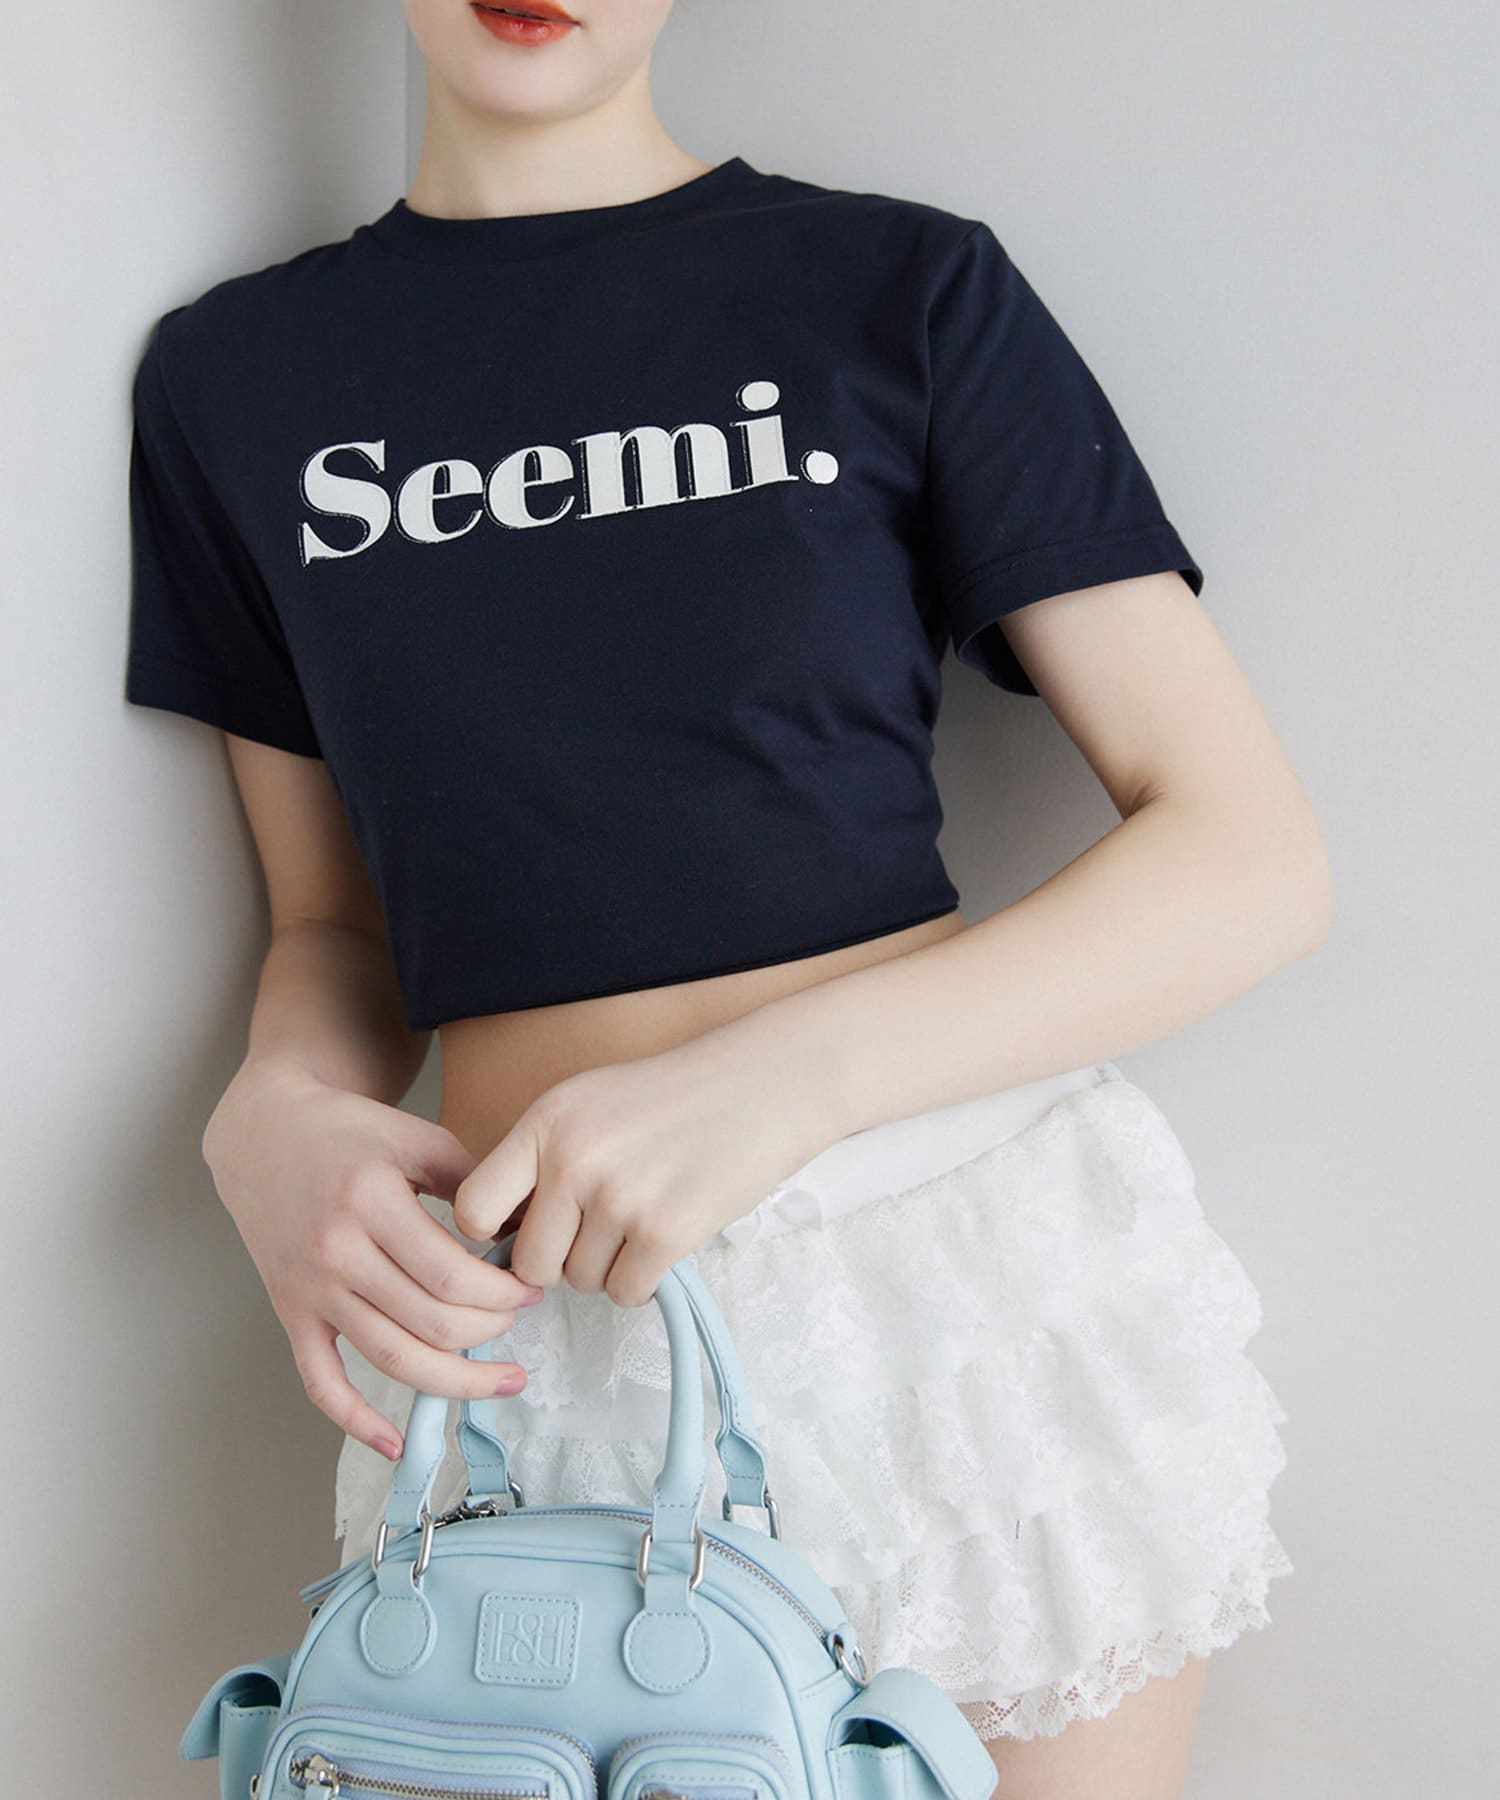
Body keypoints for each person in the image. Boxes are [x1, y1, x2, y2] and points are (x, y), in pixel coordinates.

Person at [123, 2, 1331, 1793]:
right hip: (526, 1354)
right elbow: (334, 927)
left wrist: (775, 1086)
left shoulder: (898, 288)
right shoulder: (236, 379)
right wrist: (274, 1112)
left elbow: (1246, 852)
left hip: (957, 1300)